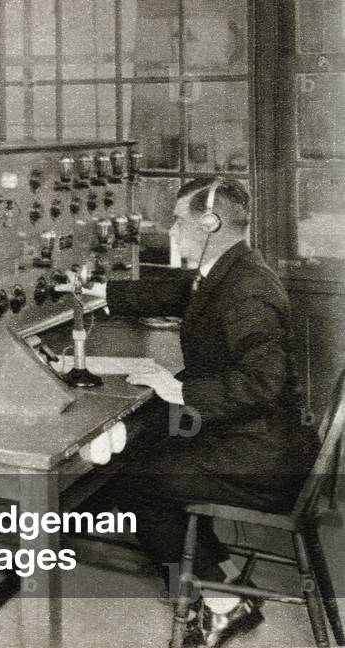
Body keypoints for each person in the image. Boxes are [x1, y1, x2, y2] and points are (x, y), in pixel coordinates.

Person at [61, 177, 319, 646]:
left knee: (138, 481)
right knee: (147, 448)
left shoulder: (249, 291)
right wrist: (108, 294)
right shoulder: (233, 269)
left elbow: (260, 384)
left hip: (267, 458)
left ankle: (225, 604)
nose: (172, 228)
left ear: (210, 222)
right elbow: (185, 292)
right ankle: (221, 573)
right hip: (261, 439)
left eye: (179, 219)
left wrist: (172, 387)